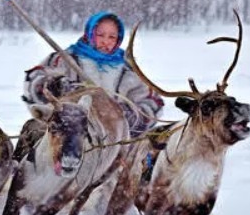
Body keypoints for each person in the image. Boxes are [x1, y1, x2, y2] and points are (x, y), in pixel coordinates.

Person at [22, 11, 163, 137]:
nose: (105, 41)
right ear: (89, 33)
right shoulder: (65, 60)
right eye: (100, 35)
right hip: (64, 137)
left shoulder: (128, 71)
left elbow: (152, 104)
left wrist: (130, 116)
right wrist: (56, 86)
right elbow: (33, 83)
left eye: (112, 37)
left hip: (114, 145)